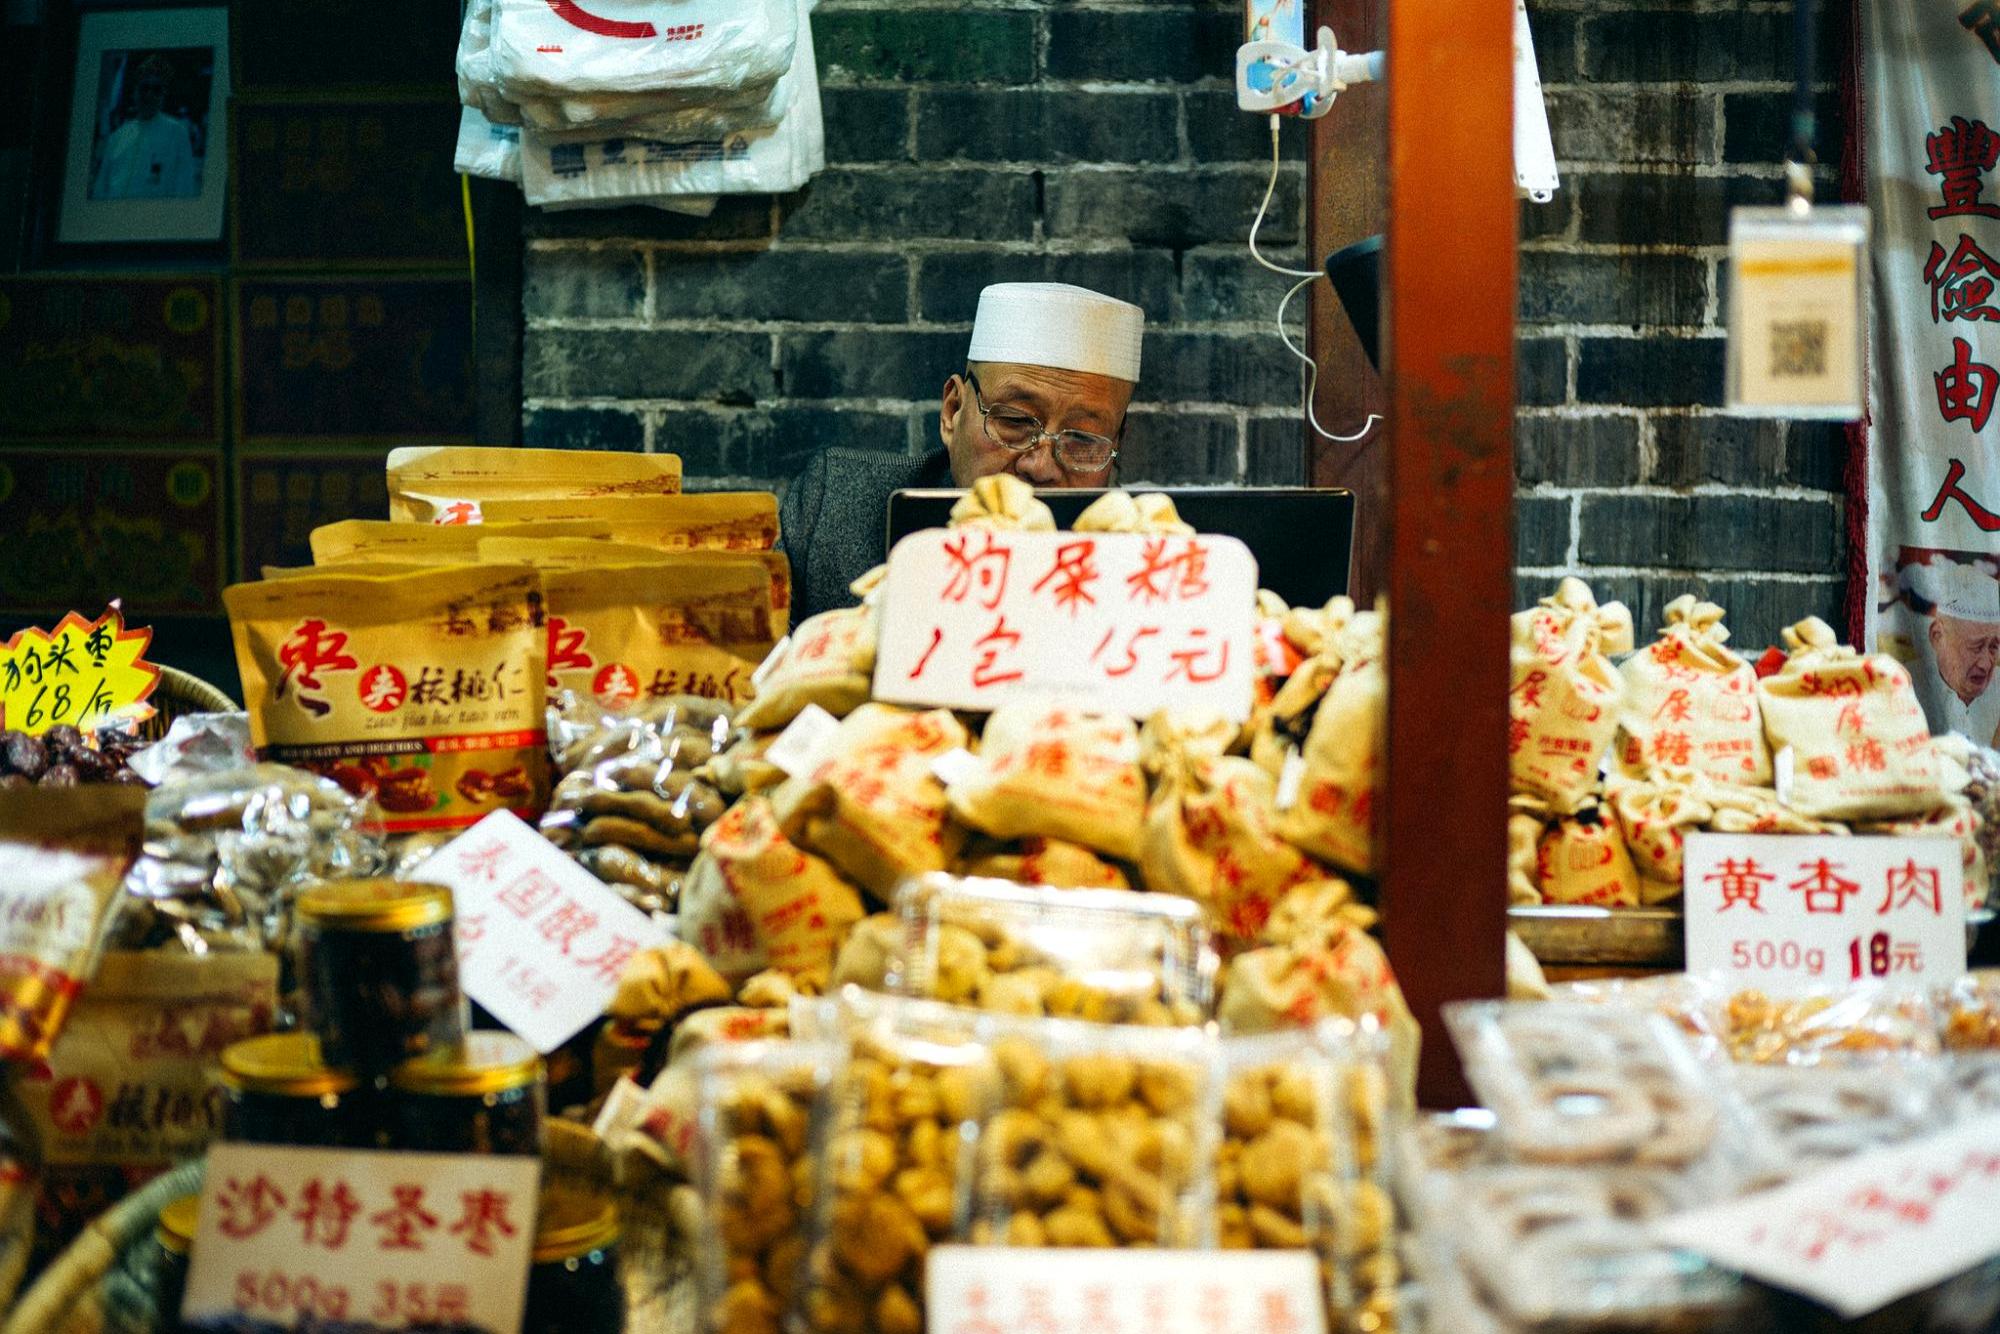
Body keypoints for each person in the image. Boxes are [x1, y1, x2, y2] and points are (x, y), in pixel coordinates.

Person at [778, 282, 1144, 624]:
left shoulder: (1144, 563)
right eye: (1015, 421)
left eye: (1081, 438)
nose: (1040, 466)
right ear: (953, 411)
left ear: (1117, 444)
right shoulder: (836, 508)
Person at [1904, 558, 2000, 746]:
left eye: (1993, 647)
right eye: (1976, 647)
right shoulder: (1904, 687)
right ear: (1937, 636)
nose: (1985, 663)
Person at [90, 54, 199, 200]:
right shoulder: (118, 137)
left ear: (163, 95)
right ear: (135, 92)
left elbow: (184, 186)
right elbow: (101, 188)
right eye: (144, 88)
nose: (149, 94)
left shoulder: (177, 133)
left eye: (156, 89)